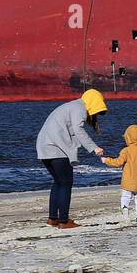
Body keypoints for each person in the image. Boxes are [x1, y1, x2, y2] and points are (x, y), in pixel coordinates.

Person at [35, 89, 107, 229]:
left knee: (58, 182)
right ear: (93, 103)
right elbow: (78, 130)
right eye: (97, 111)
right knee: (66, 183)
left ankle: (52, 219)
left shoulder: (71, 106)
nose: (96, 115)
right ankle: (64, 220)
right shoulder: (79, 108)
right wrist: (94, 147)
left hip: (44, 147)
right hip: (56, 149)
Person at [102, 124, 137, 223]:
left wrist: (106, 160)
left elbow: (118, 162)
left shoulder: (126, 151)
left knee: (126, 197)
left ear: (128, 137)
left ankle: (125, 213)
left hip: (128, 182)